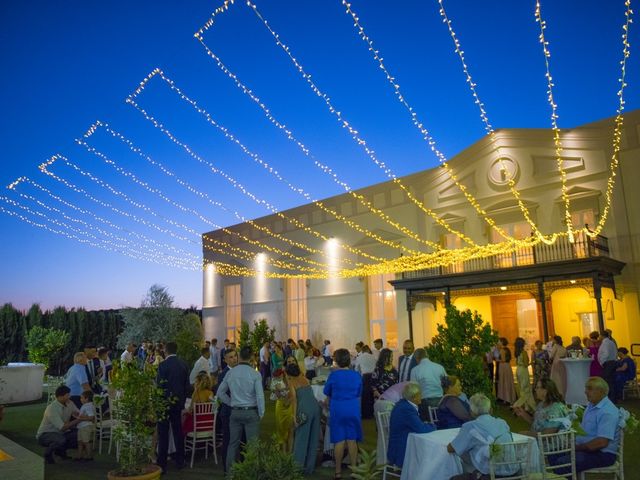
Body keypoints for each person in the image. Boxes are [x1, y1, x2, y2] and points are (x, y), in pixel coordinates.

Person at [550, 377, 621, 474]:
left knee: (562, 462)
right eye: (586, 388)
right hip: (589, 449)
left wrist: (577, 448)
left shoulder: (607, 412)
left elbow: (602, 442)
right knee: (553, 454)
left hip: (603, 454)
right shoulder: (592, 405)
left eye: (589, 389)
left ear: (601, 391)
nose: (585, 392)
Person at [217, 345, 265, 472]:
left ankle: (230, 473)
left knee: (233, 444)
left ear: (239, 357)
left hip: (235, 412)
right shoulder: (255, 374)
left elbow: (220, 393)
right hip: (250, 411)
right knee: (253, 445)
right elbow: (260, 396)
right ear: (251, 358)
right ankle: (252, 473)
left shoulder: (231, 373)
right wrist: (261, 413)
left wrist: (231, 402)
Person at [447, 393, 515, 480]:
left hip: (490, 475)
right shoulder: (502, 423)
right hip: (512, 472)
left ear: (472, 413)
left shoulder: (470, 427)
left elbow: (451, 448)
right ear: (491, 410)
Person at [323, 348, 363, 479]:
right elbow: (359, 392)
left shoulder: (333, 375)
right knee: (352, 440)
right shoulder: (356, 375)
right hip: (352, 408)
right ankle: (354, 470)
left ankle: (338, 471)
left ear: (336, 360)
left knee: (339, 440)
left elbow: (327, 391)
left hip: (338, 408)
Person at [156, 341, 191, 473]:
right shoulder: (183, 364)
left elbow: (159, 385)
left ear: (166, 350)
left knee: (163, 434)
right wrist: (181, 401)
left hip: (164, 403)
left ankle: (162, 464)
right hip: (178, 403)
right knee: (178, 432)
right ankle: (180, 460)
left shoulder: (163, 365)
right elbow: (186, 386)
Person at [387, 382, 436, 468]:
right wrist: (433, 426)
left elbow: (417, 425)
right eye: (420, 394)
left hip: (401, 444)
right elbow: (421, 429)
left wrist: (424, 425)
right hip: (401, 450)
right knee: (430, 455)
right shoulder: (407, 409)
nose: (422, 396)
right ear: (414, 397)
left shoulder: (403, 404)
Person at [286, 362, 321, 475]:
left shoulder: (292, 382)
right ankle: (309, 468)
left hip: (304, 411)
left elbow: (294, 401)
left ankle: (297, 468)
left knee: (301, 439)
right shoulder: (304, 378)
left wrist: (294, 417)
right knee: (313, 438)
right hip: (315, 408)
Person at [36, 385, 81, 464]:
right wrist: (78, 420)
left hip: (61, 432)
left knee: (79, 434)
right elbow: (62, 427)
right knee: (60, 439)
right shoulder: (52, 408)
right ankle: (48, 454)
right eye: (67, 395)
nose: (69, 397)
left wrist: (81, 416)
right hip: (45, 434)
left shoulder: (69, 403)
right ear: (60, 396)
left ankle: (60, 451)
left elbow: (78, 413)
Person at [410, 348, 447, 421]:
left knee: (426, 424)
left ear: (416, 358)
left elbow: (414, 389)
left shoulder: (415, 370)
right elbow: (446, 383)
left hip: (424, 402)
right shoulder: (439, 367)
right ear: (427, 355)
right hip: (440, 401)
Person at [217, 348, 238, 473]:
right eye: (231, 357)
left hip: (239, 412)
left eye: (235, 356)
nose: (234, 358)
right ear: (225, 360)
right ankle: (226, 468)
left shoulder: (240, 371)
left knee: (241, 440)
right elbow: (222, 394)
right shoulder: (223, 374)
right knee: (228, 440)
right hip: (228, 412)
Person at [182, 371, 214, 435]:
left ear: (198, 382)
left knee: (182, 416)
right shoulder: (211, 393)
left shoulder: (196, 393)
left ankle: (180, 442)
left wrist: (185, 411)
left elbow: (190, 410)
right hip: (209, 424)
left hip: (197, 424)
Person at [271, 368, 294, 452]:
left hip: (290, 406)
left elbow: (293, 394)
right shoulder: (276, 382)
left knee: (290, 429)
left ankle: (290, 453)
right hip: (280, 405)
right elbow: (276, 395)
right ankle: (283, 453)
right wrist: (278, 391)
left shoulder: (291, 380)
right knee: (281, 428)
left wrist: (289, 399)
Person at [512, 337, 536, 413]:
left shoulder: (517, 352)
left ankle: (527, 407)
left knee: (522, 388)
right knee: (526, 389)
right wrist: (532, 363)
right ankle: (517, 405)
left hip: (518, 369)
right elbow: (526, 364)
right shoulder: (524, 352)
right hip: (523, 371)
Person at [357, 345, 376, 419]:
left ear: (362, 350)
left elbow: (357, 368)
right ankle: (371, 413)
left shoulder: (360, 357)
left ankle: (365, 414)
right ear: (368, 350)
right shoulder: (373, 356)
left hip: (364, 377)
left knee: (364, 396)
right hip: (372, 376)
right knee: (371, 395)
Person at [598, 330, 618, 401]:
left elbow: (605, 353)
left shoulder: (605, 343)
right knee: (611, 380)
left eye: (600, 335)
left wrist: (602, 362)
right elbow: (616, 352)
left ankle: (610, 397)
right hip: (613, 362)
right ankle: (614, 397)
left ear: (602, 336)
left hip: (608, 363)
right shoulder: (611, 342)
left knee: (607, 381)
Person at [76, 390, 95, 461]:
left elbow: (91, 417)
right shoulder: (86, 405)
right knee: (80, 442)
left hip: (85, 426)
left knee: (86, 442)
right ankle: (79, 456)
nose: (80, 399)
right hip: (82, 426)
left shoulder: (88, 406)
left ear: (86, 399)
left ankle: (89, 456)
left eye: (82, 398)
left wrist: (80, 418)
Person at [496, 337, 516, 405]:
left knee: (504, 381)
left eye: (499, 341)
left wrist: (496, 360)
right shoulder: (507, 349)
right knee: (508, 381)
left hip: (503, 366)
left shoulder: (502, 350)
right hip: (507, 366)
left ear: (502, 342)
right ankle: (509, 397)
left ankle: (505, 398)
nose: (498, 342)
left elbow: (503, 360)